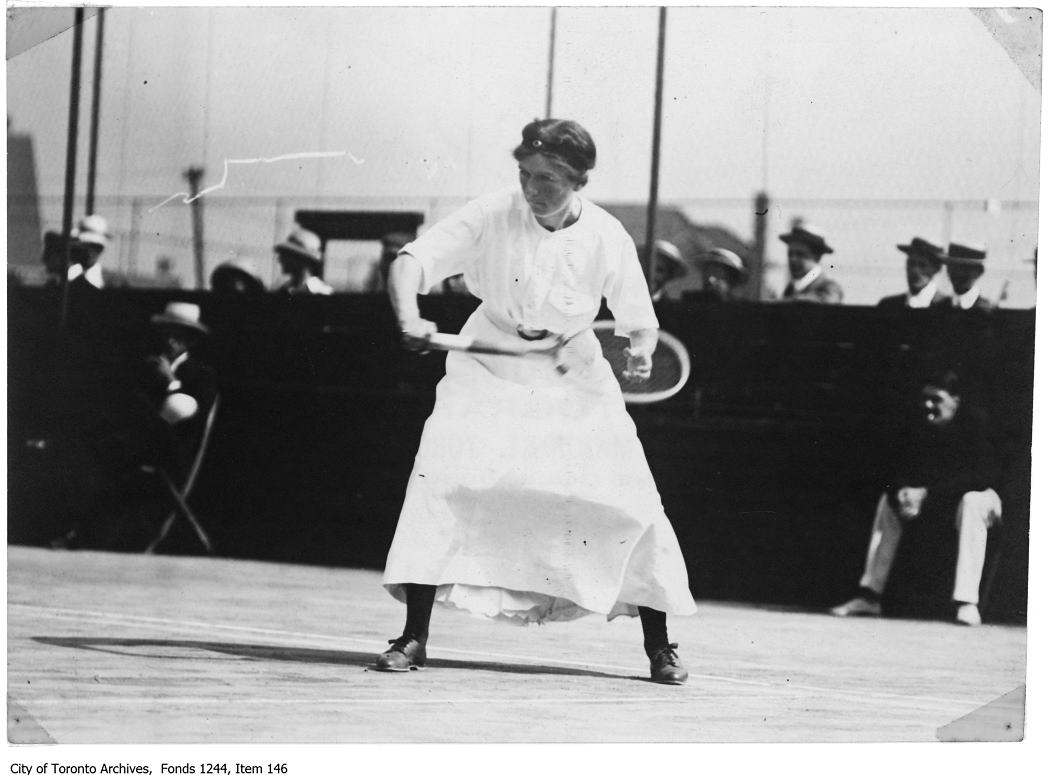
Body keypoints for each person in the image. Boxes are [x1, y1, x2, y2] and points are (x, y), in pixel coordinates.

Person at [379, 118, 697, 684]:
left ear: (580, 180)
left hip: (574, 368)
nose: (532, 189)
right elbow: (411, 261)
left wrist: (640, 351)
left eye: (547, 178)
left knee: (631, 501)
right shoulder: (490, 212)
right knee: (440, 480)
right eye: (525, 174)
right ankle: (413, 637)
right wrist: (408, 315)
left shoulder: (607, 234)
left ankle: (660, 644)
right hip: (485, 364)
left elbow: (638, 321)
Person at [830, 370, 1002, 626]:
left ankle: (967, 602)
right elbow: (893, 468)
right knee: (888, 503)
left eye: (936, 398)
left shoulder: (976, 423)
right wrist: (902, 492)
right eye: (925, 399)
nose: (928, 405)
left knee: (972, 501)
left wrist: (926, 495)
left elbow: (981, 477)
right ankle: (870, 595)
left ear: (955, 399)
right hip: (936, 501)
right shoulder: (916, 424)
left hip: (980, 501)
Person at [53, 302, 217, 549]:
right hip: (137, 444)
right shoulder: (146, 368)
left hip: (173, 448)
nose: (170, 341)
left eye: (178, 336)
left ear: (190, 341)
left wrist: (171, 382)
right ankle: (83, 535)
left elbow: (191, 415)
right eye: (167, 334)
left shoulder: (200, 374)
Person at [877, 237, 951, 309]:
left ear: (936, 269)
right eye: (911, 263)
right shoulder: (888, 306)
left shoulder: (949, 307)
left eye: (923, 265)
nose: (914, 270)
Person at [779, 222, 843, 303]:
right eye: (790, 254)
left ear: (817, 257)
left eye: (800, 254)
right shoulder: (790, 289)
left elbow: (829, 301)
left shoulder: (829, 287)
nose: (793, 259)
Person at [273, 227, 333, 295]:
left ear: (301, 259)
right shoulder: (283, 290)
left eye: (287, 256)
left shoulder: (322, 292)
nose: (280, 260)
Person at [944, 242, 994, 311]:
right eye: (953, 267)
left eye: (964, 268)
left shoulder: (987, 309)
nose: (958, 273)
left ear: (979, 272)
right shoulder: (940, 306)